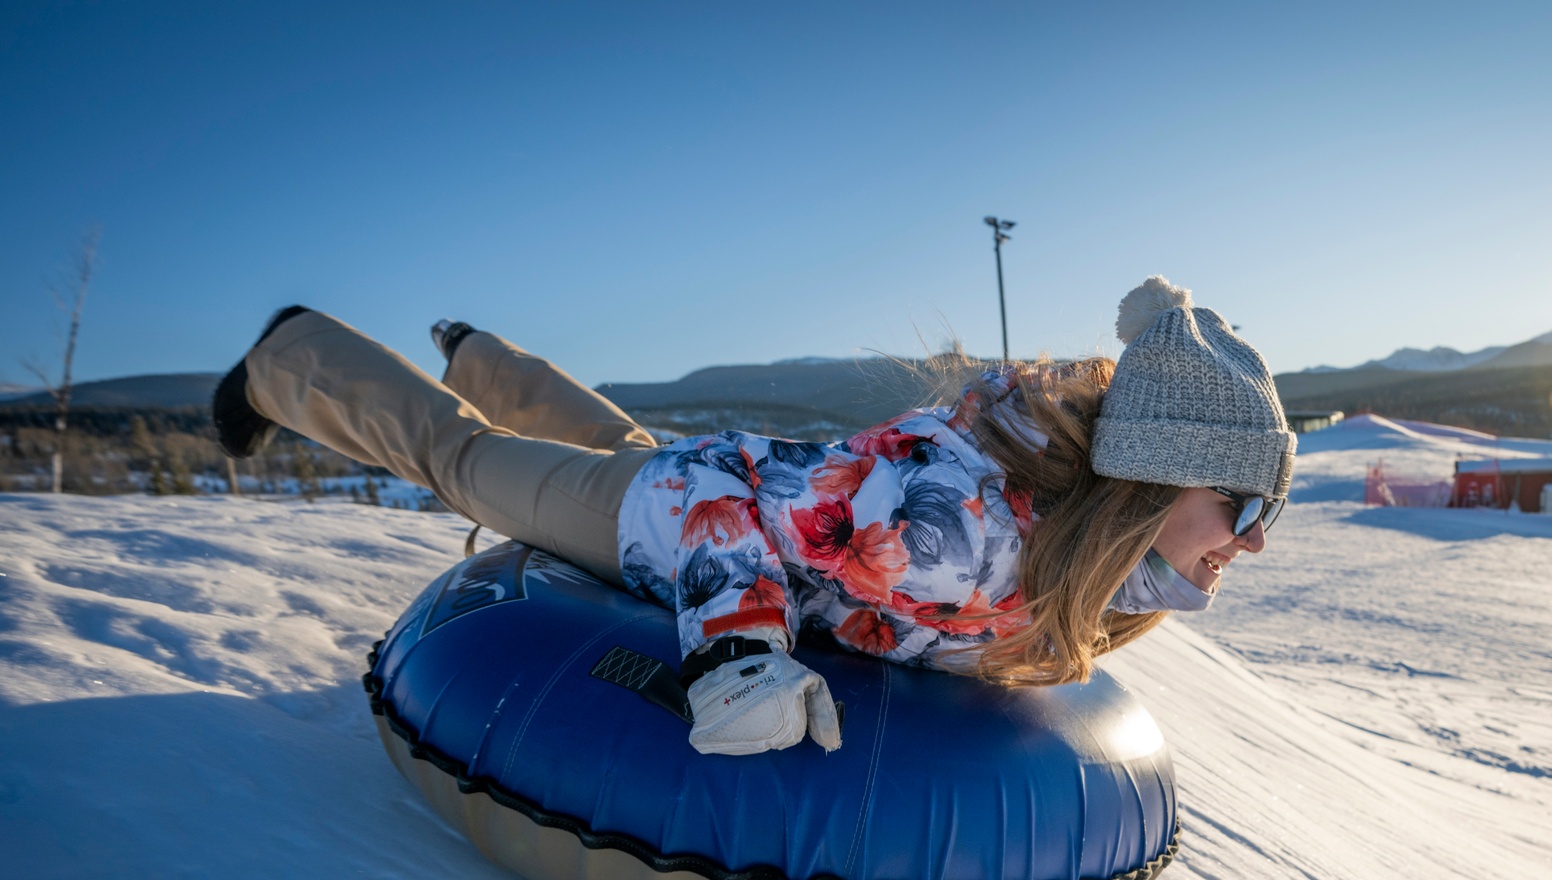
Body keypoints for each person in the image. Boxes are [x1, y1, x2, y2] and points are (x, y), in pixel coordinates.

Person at [210, 276, 1295, 757]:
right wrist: (736, 653)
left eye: (1271, 517)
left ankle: (476, 351)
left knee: (634, 445)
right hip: (665, 518)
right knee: (464, 462)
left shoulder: (1079, 566)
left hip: (701, 474)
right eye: (1242, 506)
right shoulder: (955, 530)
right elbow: (729, 506)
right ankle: (288, 354)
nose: (1250, 542)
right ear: (1153, 482)